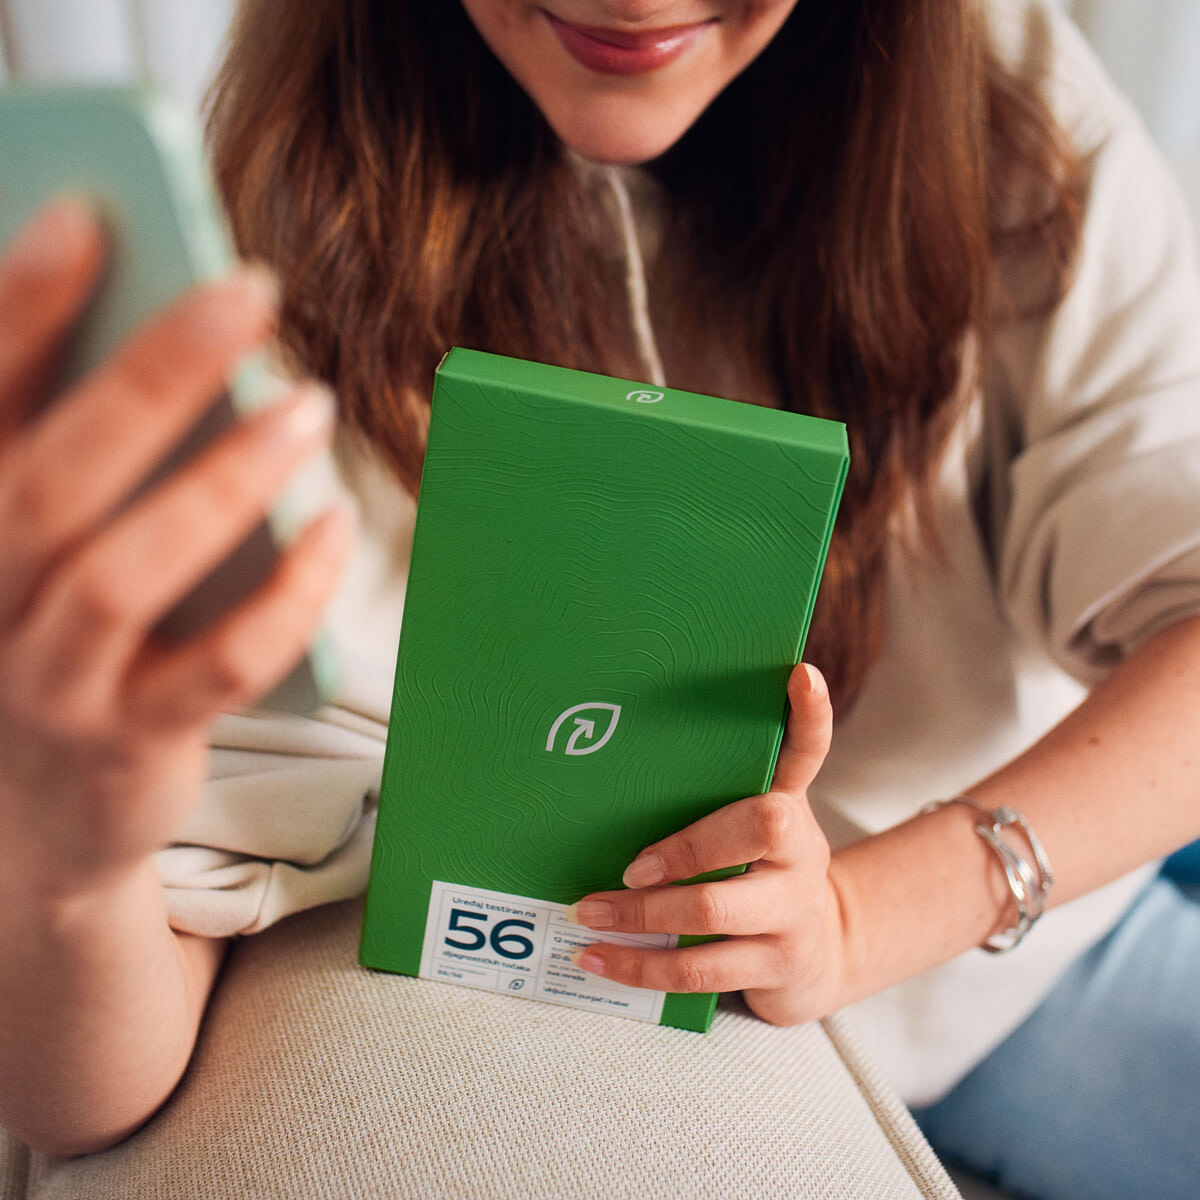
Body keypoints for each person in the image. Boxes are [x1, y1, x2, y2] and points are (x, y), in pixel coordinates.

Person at [1, 1, 1199, 1195]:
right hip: (596, 991)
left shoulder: (996, 96)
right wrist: (64, 858)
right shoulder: (251, 249)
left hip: (1015, 963)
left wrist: (863, 917)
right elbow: (89, 1098)